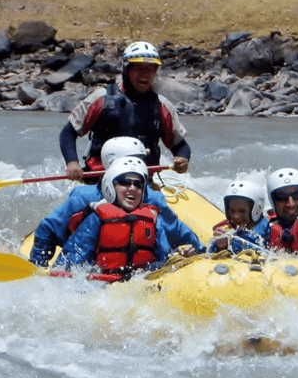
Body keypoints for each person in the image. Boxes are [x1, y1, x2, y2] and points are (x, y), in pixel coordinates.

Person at [28, 137, 204, 267]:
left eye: (142, 161)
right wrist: (38, 265)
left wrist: (196, 250)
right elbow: (48, 229)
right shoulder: (83, 198)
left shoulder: (154, 200)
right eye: (138, 160)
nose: (143, 166)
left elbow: (179, 234)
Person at [59, 41, 191, 183]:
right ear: (126, 70)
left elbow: (180, 146)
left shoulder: (163, 106)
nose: (145, 75)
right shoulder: (100, 98)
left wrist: (182, 160)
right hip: (100, 180)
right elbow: (68, 132)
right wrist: (72, 163)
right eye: (139, 68)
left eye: (150, 69)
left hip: (141, 185)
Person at [54, 157, 196, 281]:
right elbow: (71, 261)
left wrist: (181, 256)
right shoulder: (96, 219)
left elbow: (163, 259)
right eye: (124, 183)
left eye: (138, 184)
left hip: (140, 283)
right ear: (111, 186)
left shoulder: (153, 220)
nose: (132, 188)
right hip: (102, 284)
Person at [208, 180, 269, 254]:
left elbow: (253, 246)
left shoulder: (266, 228)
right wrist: (218, 246)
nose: (236, 216)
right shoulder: (232, 228)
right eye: (232, 211)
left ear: (256, 209)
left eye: (242, 211)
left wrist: (226, 244)